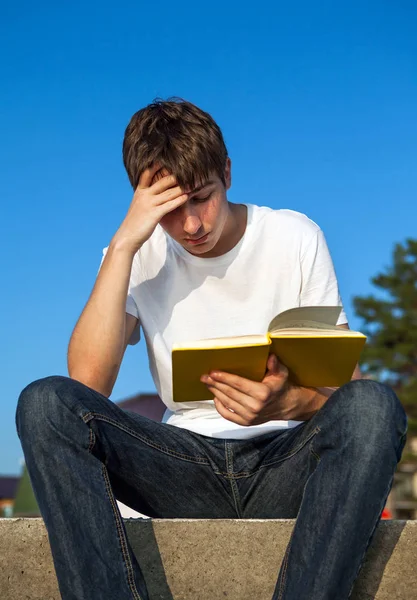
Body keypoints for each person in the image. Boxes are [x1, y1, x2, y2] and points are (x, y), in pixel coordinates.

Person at [15, 98, 407, 600]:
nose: (191, 226)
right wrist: (124, 245)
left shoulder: (294, 236)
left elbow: (351, 398)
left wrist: (289, 403)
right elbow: (86, 385)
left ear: (226, 172)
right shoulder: (138, 253)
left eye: (201, 198)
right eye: (170, 211)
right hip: (178, 467)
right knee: (45, 402)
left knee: (376, 404)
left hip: (285, 462)